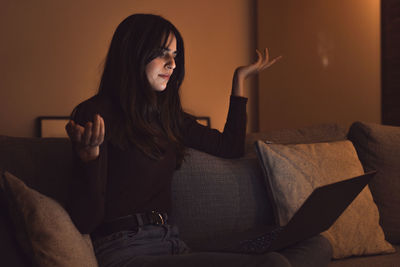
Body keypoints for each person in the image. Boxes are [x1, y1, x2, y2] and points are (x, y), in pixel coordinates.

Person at [65, 14, 331, 267]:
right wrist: (89, 159)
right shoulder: (96, 113)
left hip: (173, 243)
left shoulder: (168, 117)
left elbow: (230, 148)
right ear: (133, 54)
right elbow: (85, 221)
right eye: (161, 53)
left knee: (315, 244)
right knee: (271, 264)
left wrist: (239, 79)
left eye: (175, 55)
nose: (172, 63)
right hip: (126, 251)